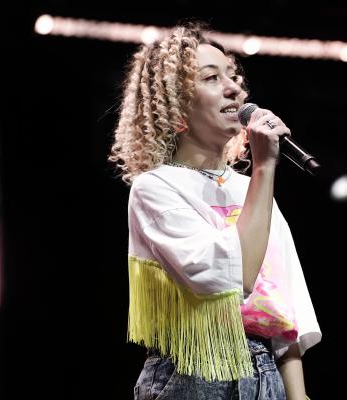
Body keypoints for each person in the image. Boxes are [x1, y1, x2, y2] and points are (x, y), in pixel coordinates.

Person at [108, 22, 321, 400]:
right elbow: (231, 277)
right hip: (194, 372)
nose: (234, 88)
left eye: (232, 76)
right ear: (176, 109)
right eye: (211, 77)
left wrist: (298, 394)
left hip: (264, 372)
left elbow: (286, 304)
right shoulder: (156, 188)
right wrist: (264, 167)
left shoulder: (252, 190)